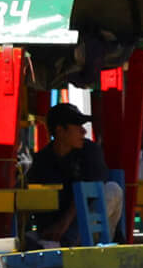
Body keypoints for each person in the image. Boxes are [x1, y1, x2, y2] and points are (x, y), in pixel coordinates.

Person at [24, 102, 92, 246]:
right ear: (60, 131)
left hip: (84, 227)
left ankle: (60, 243)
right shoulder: (40, 161)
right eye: (77, 126)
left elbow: (90, 193)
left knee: (109, 190)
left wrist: (64, 223)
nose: (84, 132)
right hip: (51, 231)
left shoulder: (89, 152)